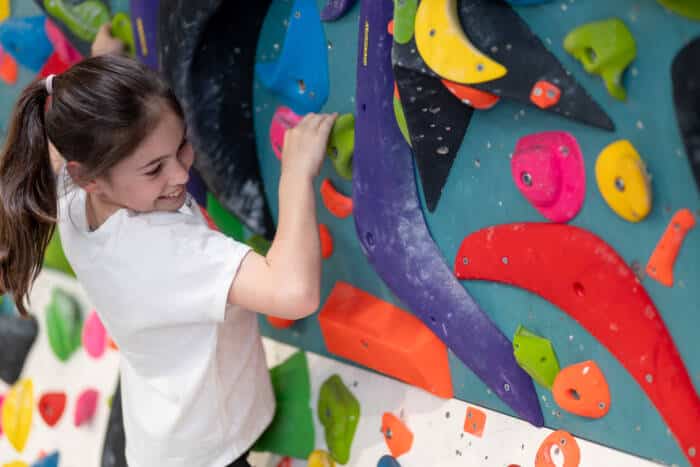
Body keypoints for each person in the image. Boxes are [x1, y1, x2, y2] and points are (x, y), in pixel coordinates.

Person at [0, 22, 337, 467]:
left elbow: (62, 146)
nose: (179, 175)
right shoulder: (162, 251)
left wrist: (98, 69)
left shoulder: (70, 189)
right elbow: (294, 292)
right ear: (93, 178)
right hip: (206, 448)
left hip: (164, 422)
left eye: (182, 147)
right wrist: (296, 173)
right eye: (154, 168)